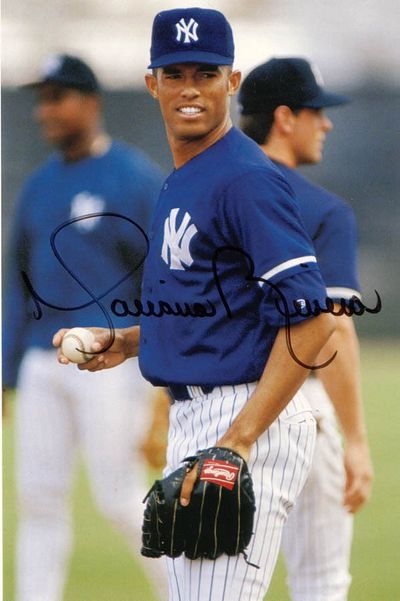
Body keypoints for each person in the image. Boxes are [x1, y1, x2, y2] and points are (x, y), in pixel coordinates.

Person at [54, 10, 336, 601]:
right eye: (175, 74)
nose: (190, 89)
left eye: (205, 74)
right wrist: (126, 342)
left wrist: (239, 439)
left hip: (244, 413)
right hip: (204, 415)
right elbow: (215, 308)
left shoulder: (244, 179)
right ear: (151, 82)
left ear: (231, 82)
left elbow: (313, 322)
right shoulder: (186, 177)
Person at [2, 54, 167, 601]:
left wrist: (165, 374)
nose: (44, 111)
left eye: (57, 98)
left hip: (111, 361)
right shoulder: (38, 186)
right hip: (39, 359)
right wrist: (6, 371)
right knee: (38, 501)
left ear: (90, 102)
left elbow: (164, 280)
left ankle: (190, 591)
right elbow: (18, 281)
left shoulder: (133, 177)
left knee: (119, 497)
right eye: (41, 100)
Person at [239, 57, 374, 601]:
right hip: (300, 404)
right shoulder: (322, 209)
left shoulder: (209, 194)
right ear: (285, 118)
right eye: (316, 111)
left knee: (222, 583)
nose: (327, 123)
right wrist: (357, 440)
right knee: (320, 581)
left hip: (217, 408)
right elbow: (332, 333)